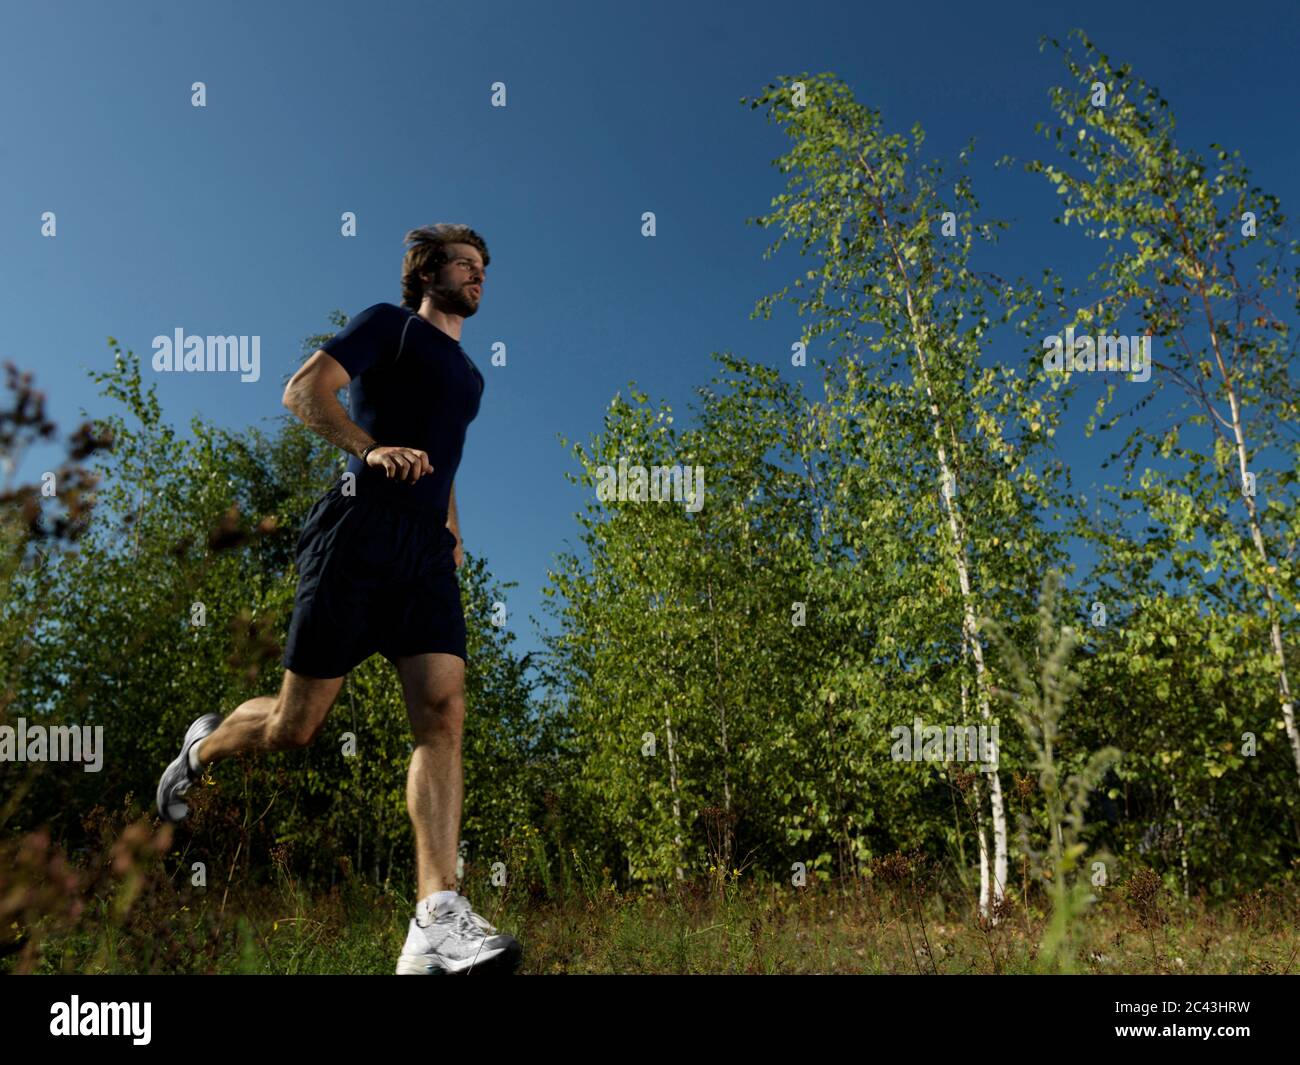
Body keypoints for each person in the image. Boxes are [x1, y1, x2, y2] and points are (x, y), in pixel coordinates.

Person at [156, 224, 520, 975]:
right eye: (465, 263)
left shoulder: (472, 377)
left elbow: (444, 461)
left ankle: (435, 920)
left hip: (425, 553)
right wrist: (368, 448)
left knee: (443, 712)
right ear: (428, 272)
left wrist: (451, 532)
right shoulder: (389, 326)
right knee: (296, 725)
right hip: (359, 531)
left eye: (485, 267)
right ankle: (201, 747)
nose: (479, 275)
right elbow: (304, 391)